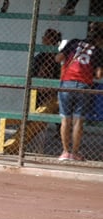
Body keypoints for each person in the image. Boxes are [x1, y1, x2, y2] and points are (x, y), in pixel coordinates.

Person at [55, 24, 103, 161]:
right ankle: (75, 153)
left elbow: (58, 58)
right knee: (78, 121)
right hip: (83, 85)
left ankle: (65, 152)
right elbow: (99, 74)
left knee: (65, 119)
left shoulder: (74, 42)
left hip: (66, 83)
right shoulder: (98, 51)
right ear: (100, 39)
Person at [32, 28, 62, 136]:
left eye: (45, 37)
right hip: (40, 88)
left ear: (51, 39)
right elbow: (35, 72)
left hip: (52, 88)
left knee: (55, 108)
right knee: (37, 105)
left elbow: (57, 73)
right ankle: (34, 125)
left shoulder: (56, 56)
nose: (43, 39)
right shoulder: (41, 56)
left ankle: (60, 128)